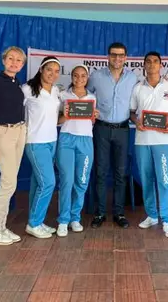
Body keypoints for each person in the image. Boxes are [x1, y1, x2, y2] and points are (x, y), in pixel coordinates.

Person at [87, 42, 138, 229]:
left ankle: (119, 213)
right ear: (108, 56)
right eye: (114, 55)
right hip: (100, 129)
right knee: (100, 172)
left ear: (126, 57)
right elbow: (85, 95)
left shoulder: (133, 78)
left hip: (123, 130)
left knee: (120, 173)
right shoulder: (96, 76)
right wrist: (89, 111)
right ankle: (99, 212)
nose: (117, 58)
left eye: (121, 55)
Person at [130, 51, 168, 238]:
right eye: (148, 62)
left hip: (163, 141)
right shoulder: (137, 88)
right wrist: (136, 122)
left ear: (161, 65)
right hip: (142, 141)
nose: (151, 65)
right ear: (144, 65)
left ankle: (167, 220)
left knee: (165, 180)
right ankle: (151, 215)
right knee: (146, 180)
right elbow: (132, 112)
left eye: (155, 62)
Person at [0, 46, 27, 246]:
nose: (14, 63)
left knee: (11, 182)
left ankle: (1, 226)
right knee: (8, 183)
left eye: (18, 60)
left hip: (19, 132)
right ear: (3, 60)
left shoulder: (17, 84)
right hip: (2, 132)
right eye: (11, 58)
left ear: (23, 65)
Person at [56, 65, 99, 236]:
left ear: (87, 78)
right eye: (76, 75)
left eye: (83, 76)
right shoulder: (63, 95)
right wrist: (64, 116)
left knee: (81, 181)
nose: (79, 79)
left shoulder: (92, 97)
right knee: (67, 181)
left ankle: (75, 218)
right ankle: (63, 220)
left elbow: (92, 122)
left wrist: (94, 116)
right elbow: (57, 120)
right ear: (71, 77)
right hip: (66, 139)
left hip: (86, 140)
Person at [23, 56, 61, 239]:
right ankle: (34, 224)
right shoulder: (27, 89)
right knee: (48, 182)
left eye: (56, 71)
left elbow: (56, 120)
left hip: (51, 141)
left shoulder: (55, 91)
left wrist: (73, 115)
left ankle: (36, 220)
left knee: (38, 182)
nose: (52, 74)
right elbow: (13, 110)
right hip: (34, 142)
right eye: (49, 70)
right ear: (41, 70)